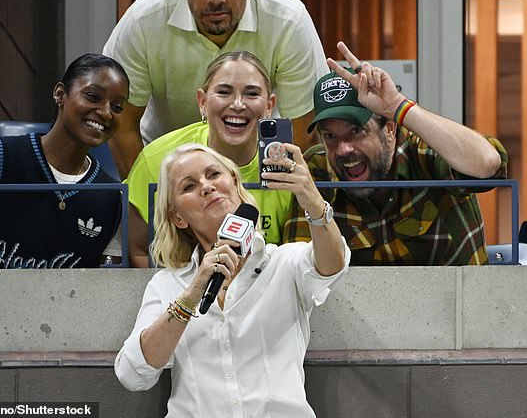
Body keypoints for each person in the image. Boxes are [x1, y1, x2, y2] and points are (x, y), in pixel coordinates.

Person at [115, 143, 350, 417]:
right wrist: (192, 294)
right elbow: (132, 374)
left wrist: (312, 200)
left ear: (235, 184)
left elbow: (333, 265)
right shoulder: (168, 285)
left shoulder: (283, 263)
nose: (206, 187)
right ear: (177, 217)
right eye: (189, 186)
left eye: (214, 174)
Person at [283, 41, 509, 265]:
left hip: (457, 299)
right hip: (359, 301)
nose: (343, 149)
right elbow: (298, 267)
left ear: (390, 129)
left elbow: (488, 164)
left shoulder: (424, 153)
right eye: (330, 136)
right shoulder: (317, 169)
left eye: (356, 131)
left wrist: (398, 107)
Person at [0, 54, 129, 269]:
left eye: (118, 107)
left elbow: (105, 283)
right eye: (93, 96)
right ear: (60, 94)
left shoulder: (111, 196)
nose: (106, 112)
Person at [102, 0, 329, 178]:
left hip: (261, 165)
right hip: (164, 163)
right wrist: (153, 202)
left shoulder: (289, 19)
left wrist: (269, 196)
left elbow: (301, 131)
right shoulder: (144, 19)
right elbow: (122, 123)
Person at [125, 51, 292, 267]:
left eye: (251, 94)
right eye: (224, 92)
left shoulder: (287, 168)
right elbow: (138, 249)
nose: (238, 104)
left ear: (269, 106)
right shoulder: (156, 160)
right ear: (202, 102)